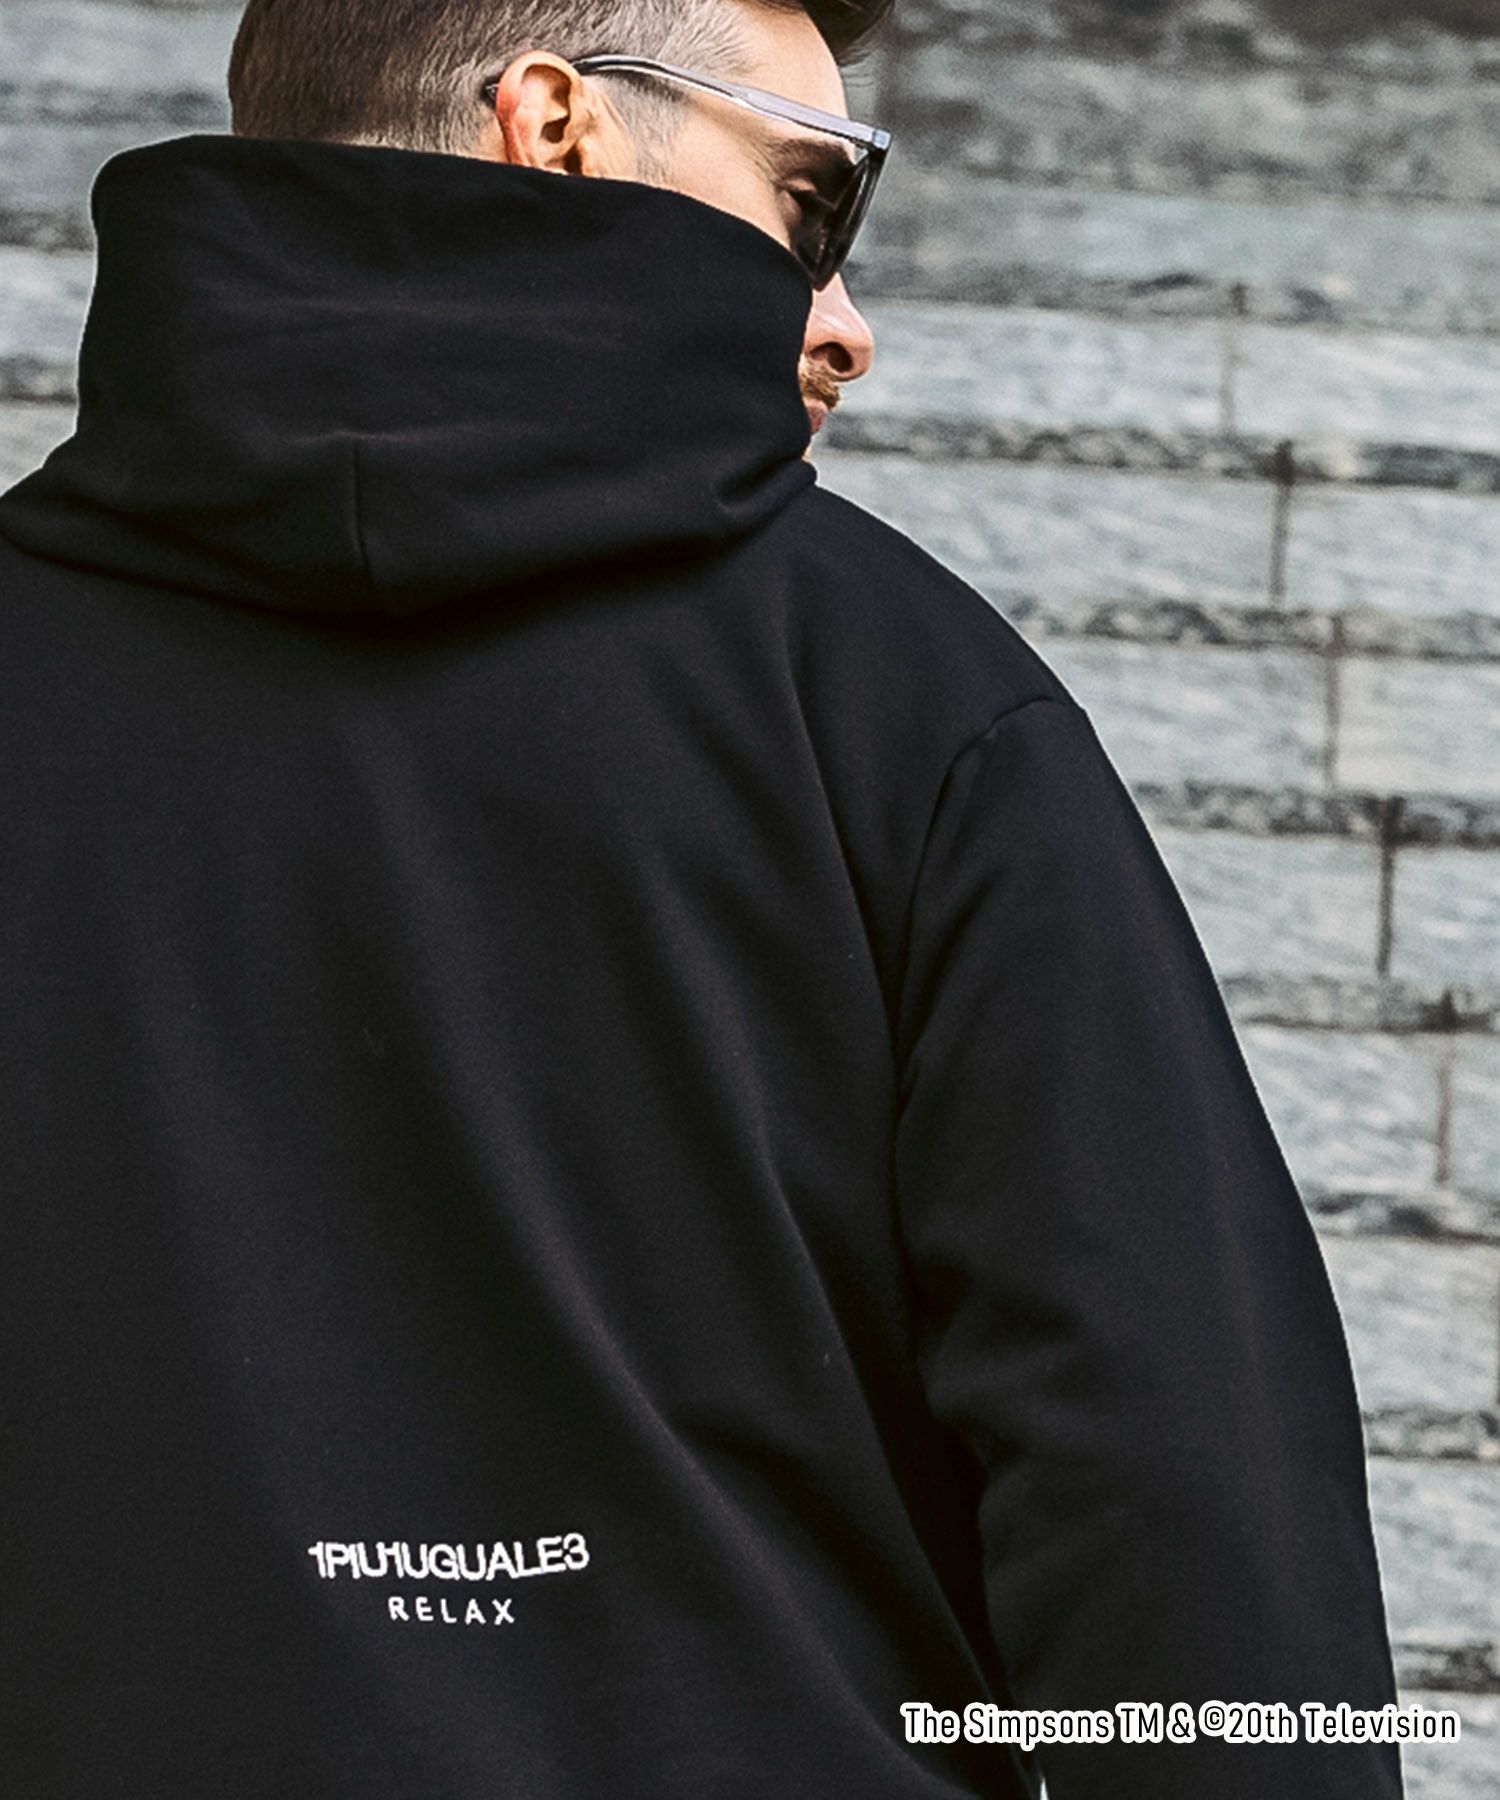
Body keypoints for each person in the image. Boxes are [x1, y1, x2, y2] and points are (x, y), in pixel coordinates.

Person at [0, 1, 1405, 1795]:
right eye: (813, 204)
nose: (848, 325)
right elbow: (1176, 1485)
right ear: (555, 125)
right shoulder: (900, 695)